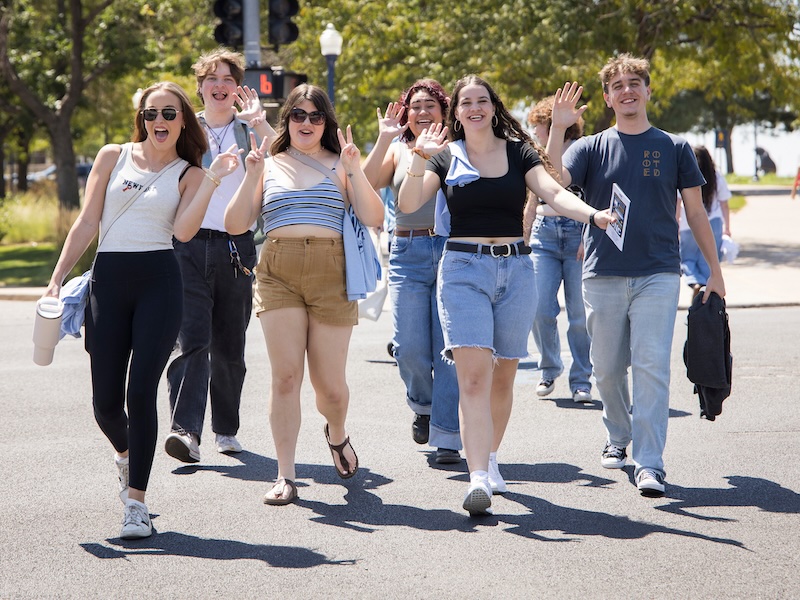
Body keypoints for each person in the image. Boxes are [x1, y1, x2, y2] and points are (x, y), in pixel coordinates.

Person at [399, 75, 614, 516]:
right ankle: (478, 476)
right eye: (466, 103)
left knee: (504, 374)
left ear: (493, 108)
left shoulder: (519, 152)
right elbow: (407, 203)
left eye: (482, 101)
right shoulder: (445, 156)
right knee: (473, 377)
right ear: (456, 113)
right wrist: (419, 159)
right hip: (462, 269)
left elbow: (554, 191)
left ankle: (491, 457)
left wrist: (593, 215)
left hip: (517, 268)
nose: (474, 108)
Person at [42, 81, 240, 538]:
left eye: (170, 114)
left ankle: (136, 504)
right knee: (105, 405)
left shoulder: (189, 172)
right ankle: (130, 456)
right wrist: (55, 279)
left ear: (183, 121)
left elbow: (186, 232)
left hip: (159, 284)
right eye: (152, 114)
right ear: (142, 119)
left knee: (139, 394)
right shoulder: (113, 155)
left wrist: (212, 178)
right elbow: (87, 220)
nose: (160, 123)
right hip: (108, 283)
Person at [547, 55, 726, 498]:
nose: (627, 90)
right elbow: (550, 180)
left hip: (658, 274)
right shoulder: (588, 147)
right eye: (618, 85)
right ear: (607, 98)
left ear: (647, 91)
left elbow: (697, 212)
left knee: (650, 368)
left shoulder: (675, 147)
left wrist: (715, 272)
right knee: (606, 370)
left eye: (635, 83)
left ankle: (650, 462)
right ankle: (618, 433)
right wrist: (557, 127)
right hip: (602, 273)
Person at [224, 84, 384, 505]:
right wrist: (253, 175)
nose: (307, 123)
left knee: (329, 389)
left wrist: (356, 169)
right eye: (299, 115)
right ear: (287, 120)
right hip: (278, 272)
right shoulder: (268, 163)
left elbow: (374, 216)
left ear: (326, 121)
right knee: (286, 376)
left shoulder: (340, 162)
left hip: (332, 273)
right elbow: (236, 223)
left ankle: (337, 432)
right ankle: (286, 475)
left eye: (316, 116)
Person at [164, 48, 277, 464]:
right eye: (212, 79)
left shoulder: (250, 130)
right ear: (200, 86)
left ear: (238, 88)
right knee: (191, 339)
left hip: (236, 246)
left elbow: (286, 156)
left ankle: (225, 430)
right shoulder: (181, 128)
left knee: (230, 344)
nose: (220, 86)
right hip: (186, 245)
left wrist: (260, 122)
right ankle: (185, 432)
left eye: (228, 79)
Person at [362, 79, 462, 464]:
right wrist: (384, 139)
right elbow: (367, 184)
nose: (422, 112)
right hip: (408, 250)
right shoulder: (400, 151)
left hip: (453, 251)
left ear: (443, 111)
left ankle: (447, 436)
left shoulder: (458, 147)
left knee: (448, 349)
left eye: (430, 106)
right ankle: (423, 406)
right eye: (415, 106)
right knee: (409, 348)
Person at [523, 96, 593, 404]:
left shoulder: (583, 149)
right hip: (544, 235)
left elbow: (595, 196)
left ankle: (581, 380)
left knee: (579, 315)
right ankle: (549, 368)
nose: (535, 132)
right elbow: (531, 198)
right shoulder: (534, 153)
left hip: (578, 234)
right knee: (539, 308)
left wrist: (588, 235)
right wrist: (523, 238)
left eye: (537, 126)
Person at [677, 145, 732, 297]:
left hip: (687, 224)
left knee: (688, 259)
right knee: (707, 262)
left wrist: (675, 225)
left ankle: (695, 282)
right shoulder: (717, 177)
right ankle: (705, 300)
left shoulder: (684, 176)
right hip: (714, 223)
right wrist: (727, 227)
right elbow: (724, 204)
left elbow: (677, 203)